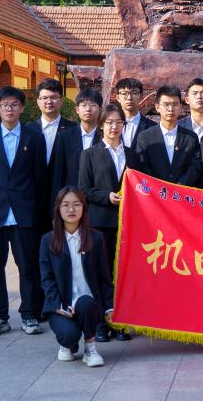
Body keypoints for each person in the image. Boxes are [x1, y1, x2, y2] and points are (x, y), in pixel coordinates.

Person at [0, 86, 48, 337]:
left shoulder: (34, 138)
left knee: (28, 266)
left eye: (14, 104)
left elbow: (40, 177)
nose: (9, 109)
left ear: (22, 108)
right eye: (5, 105)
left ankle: (29, 315)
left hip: (24, 212)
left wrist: (28, 202)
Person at [77, 103, 136, 342]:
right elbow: (84, 189)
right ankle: (101, 323)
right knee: (100, 273)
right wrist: (106, 197)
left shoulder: (132, 154)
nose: (114, 127)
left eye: (118, 122)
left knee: (122, 274)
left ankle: (120, 323)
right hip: (100, 223)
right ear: (101, 125)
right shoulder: (90, 154)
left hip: (127, 224)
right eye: (109, 122)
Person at [39, 187, 112, 368]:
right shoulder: (48, 240)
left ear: (83, 208)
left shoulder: (96, 238)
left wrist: (110, 306)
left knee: (86, 303)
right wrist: (58, 306)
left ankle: (90, 348)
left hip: (89, 304)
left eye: (76, 204)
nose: (71, 209)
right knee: (69, 336)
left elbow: (104, 276)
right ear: (58, 209)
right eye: (65, 205)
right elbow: (47, 279)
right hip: (62, 305)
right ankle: (68, 343)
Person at [27, 79, 76, 239]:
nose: (49, 101)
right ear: (38, 102)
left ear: (61, 101)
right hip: (33, 199)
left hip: (63, 196)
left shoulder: (73, 130)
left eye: (53, 97)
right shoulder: (27, 130)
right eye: (44, 98)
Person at [134, 85, 203, 187]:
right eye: (166, 104)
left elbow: (195, 166)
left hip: (181, 192)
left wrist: (179, 186)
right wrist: (158, 186)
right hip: (154, 192)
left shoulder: (190, 137)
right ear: (157, 107)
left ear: (180, 107)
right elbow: (142, 166)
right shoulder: (145, 137)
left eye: (175, 104)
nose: (170, 109)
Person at [52, 88, 104, 197]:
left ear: (100, 109)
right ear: (77, 109)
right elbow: (58, 173)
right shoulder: (64, 137)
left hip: (99, 198)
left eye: (93, 105)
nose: (88, 109)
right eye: (84, 105)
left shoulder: (105, 137)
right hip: (71, 197)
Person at [115, 77, 155, 147]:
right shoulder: (108, 126)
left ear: (141, 96)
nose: (129, 98)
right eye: (124, 93)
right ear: (118, 97)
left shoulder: (152, 127)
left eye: (134, 93)